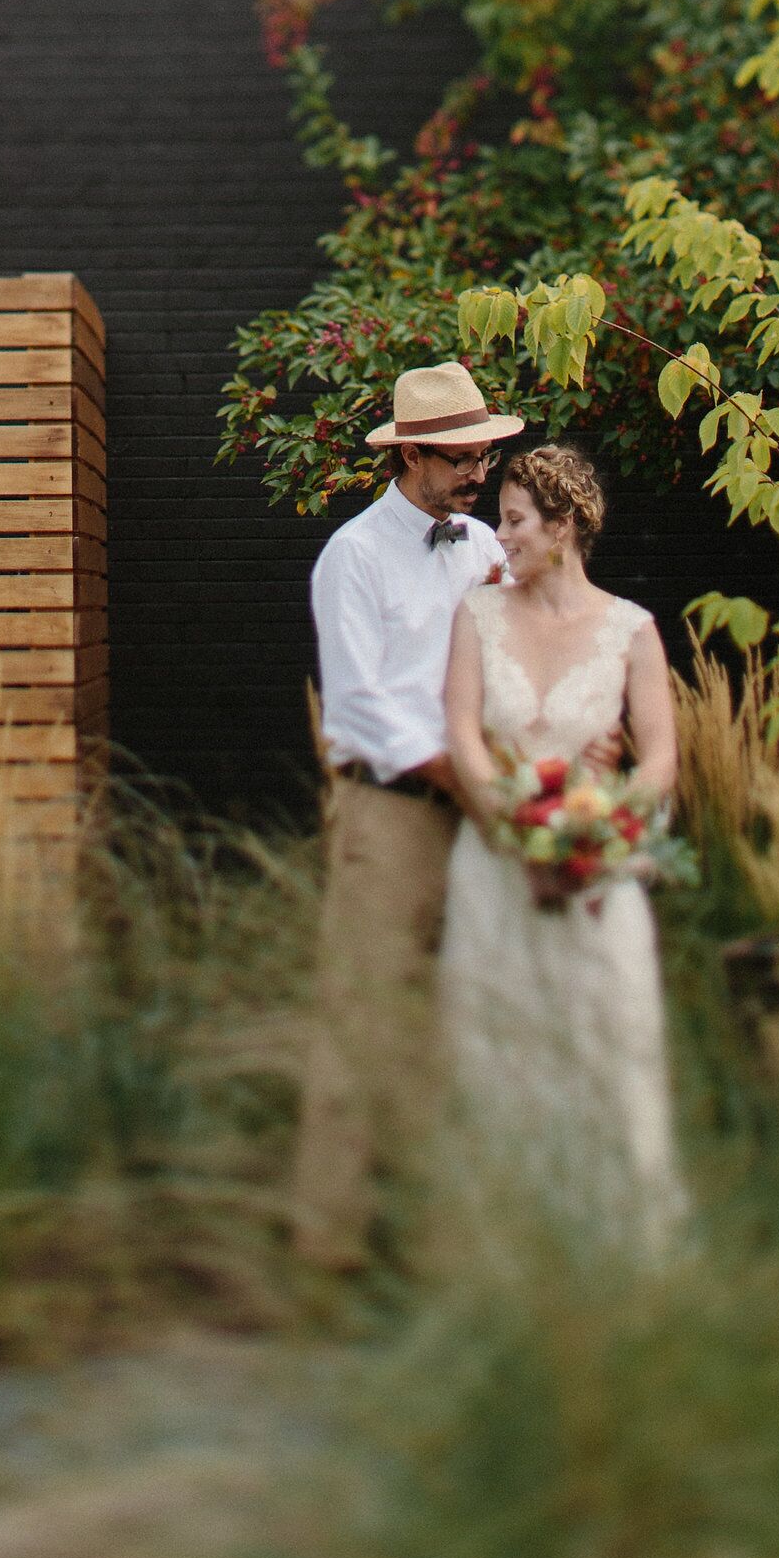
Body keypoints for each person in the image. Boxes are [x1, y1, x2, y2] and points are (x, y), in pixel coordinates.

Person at [290, 359, 523, 1269]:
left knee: (464, 1019)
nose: (479, 474)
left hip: (479, 806)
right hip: (390, 813)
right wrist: (454, 774)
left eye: (484, 458)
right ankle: (327, 1243)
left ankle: (441, 1243)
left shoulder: (483, 550)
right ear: (412, 457)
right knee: (363, 1015)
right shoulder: (351, 555)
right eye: (461, 459)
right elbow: (359, 705)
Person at [439, 439, 685, 1248]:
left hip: (595, 871)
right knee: (496, 1055)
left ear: (565, 525)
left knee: (605, 1050)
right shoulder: (476, 615)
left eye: (514, 522)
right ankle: (502, 1253)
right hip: (498, 867)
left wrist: (596, 831)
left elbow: (659, 762)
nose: (499, 536)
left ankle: (620, 1252)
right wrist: (514, 825)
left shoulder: (632, 631)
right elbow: (464, 736)